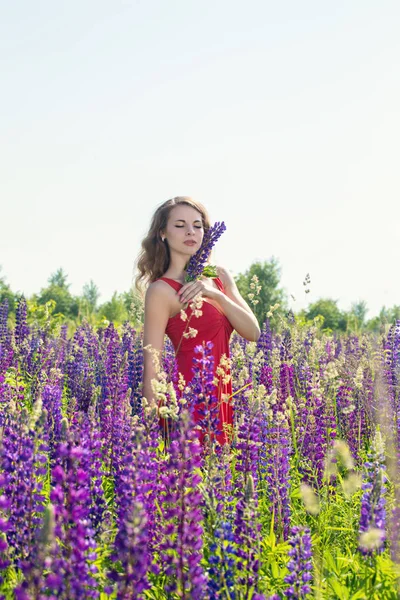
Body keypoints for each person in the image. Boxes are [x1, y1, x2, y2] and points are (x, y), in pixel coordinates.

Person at [135, 196, 260, 445]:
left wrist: (214, 293)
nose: (190, 231)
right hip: (188, 402)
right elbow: (153, 363)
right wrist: (148, 433)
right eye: (180, 225)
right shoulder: (161, 290)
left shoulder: (220, 276)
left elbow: (253, 332)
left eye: (197, 225)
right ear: (162, 233)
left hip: (223, 397)